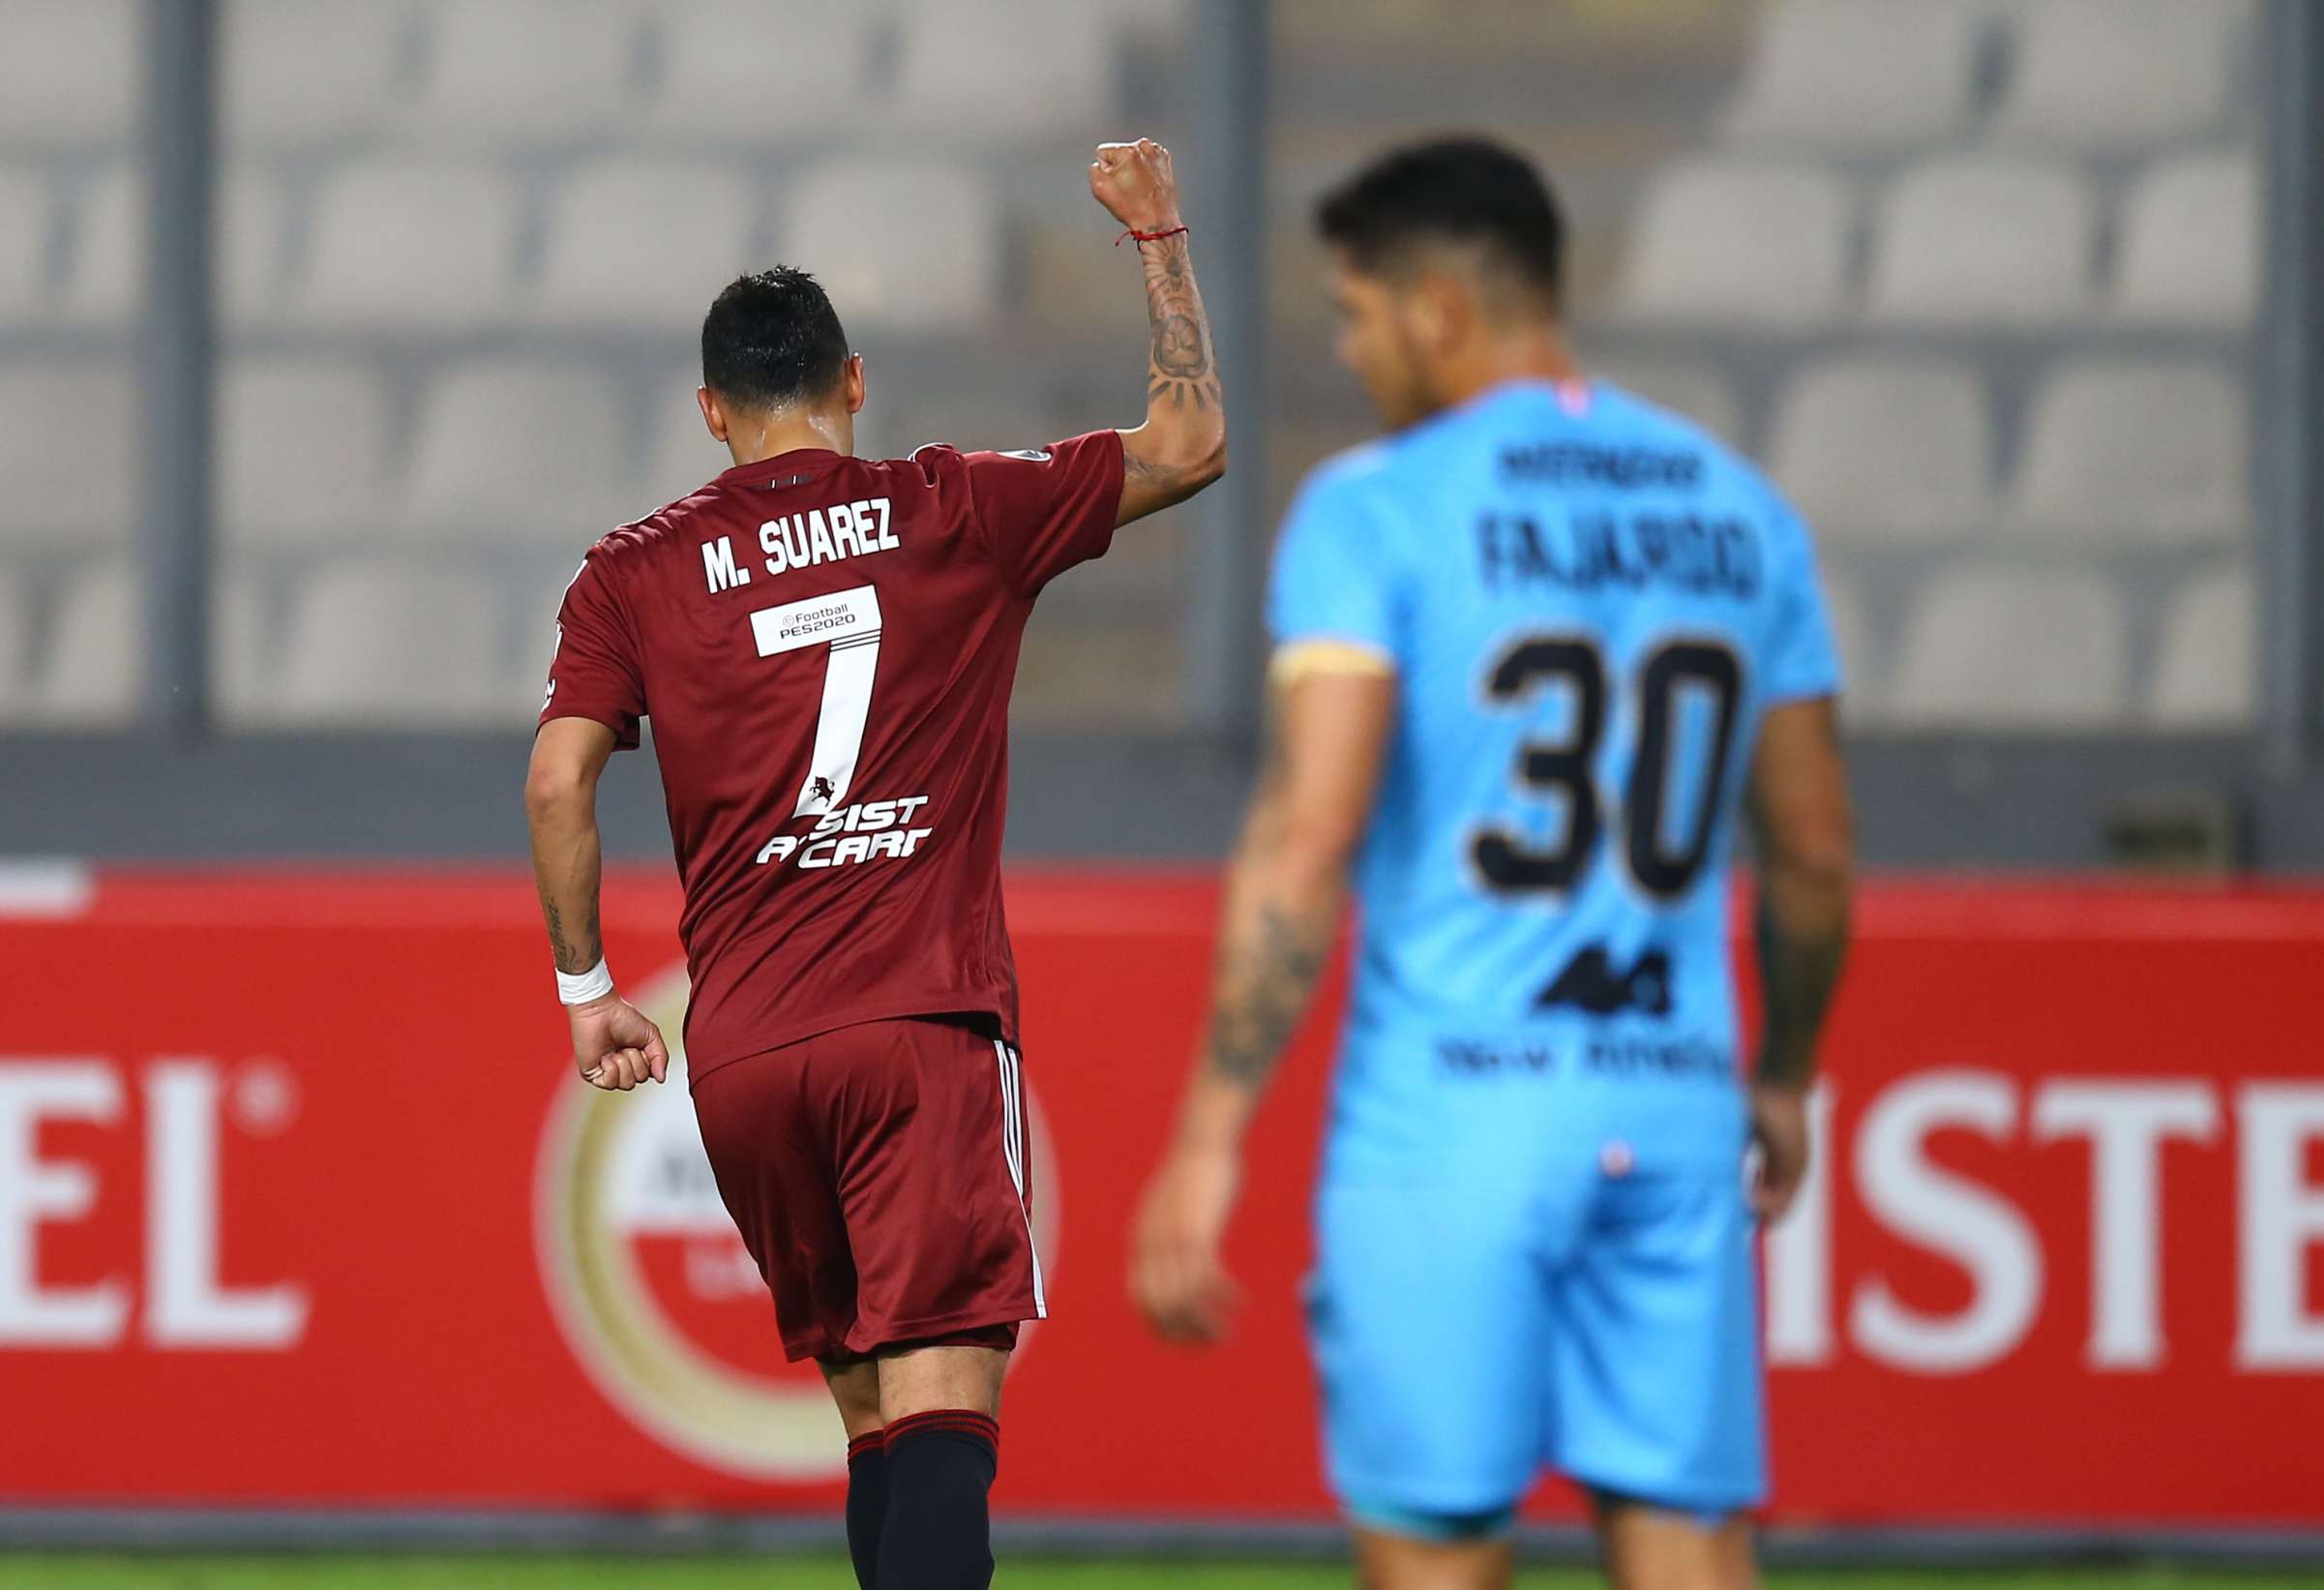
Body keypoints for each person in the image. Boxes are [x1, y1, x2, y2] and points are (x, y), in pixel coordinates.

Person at [1128, 136, 1852, 1590]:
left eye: (1359, 313)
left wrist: (1211, 1131)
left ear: (1440, 311)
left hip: (1451, 1114)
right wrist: (1782, 1074)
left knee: (1440, 1548)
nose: (1351, 347)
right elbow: (1816, 856)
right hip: (1670, 1097)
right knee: (1687, 1537)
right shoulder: (1738, 511)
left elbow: (1306, 833)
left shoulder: (1374, 508)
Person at [524, 138, 1219, 1590]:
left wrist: (588, 987)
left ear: (711, 414)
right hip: (918, 1022)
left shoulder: (630, 572)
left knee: (866, 1415)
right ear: (853, 382)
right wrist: (1157, 239)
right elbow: (1188, 445)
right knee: (948, 1403)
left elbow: (557, 776)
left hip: (750, 1058)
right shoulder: (953, 508)